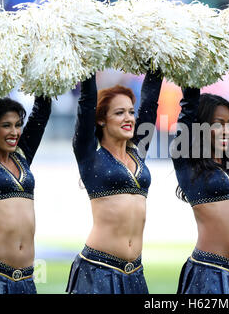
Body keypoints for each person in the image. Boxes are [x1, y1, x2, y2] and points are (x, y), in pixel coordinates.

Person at [66, 70, 163, 294]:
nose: (128, 118)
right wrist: (89, 65)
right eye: (119, 113)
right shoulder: (89, 154)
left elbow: (150, 103)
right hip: (98, 269)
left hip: (135, 273)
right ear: (101, 119)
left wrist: (157, 62)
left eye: (130, 112)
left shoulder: (138, 151)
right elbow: (86, 101)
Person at [173, 83, 229, 294]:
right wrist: (192, 73)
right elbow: (189, 106)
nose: (227, 130)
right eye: (218, 124)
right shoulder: (188, 161)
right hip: (209, 271)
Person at [0, 94, 51, 294]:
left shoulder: (22, 156)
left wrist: (45, 77)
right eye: (6, 125)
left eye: (18, 125)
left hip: (26, 278)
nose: (15, 132)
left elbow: (41, 114)